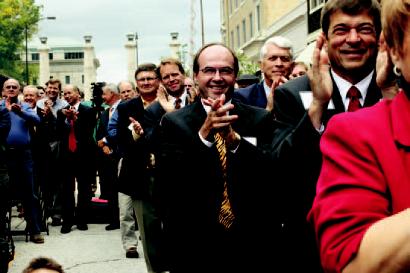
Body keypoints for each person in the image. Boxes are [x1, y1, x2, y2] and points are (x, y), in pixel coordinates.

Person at [155, 42, 299, 272]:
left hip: (251, 242)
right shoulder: (174, 123)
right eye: (209, 70)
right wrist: (204, 136)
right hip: (195, 244)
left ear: (235, 75)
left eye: (226, 71)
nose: (217, 77)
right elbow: (168, 187)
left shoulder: (259, 119)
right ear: (195, 76)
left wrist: (235, 143)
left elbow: (272, 178)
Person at [308, 1, 410, 272]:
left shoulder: (390, 88)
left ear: (379, 42)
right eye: (342, 30)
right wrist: (318, 105)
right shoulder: (295, 93)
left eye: (363, 29)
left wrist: (388, 89)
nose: (353, 39)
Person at [2, 79, 44, 244]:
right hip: (3, 157)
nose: (11, 89)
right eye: (8, 87)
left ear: (18, 90)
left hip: (23, 155)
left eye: (14, 87)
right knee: (2, 193)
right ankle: (2, 232)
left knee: (28, 192)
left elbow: (37, 121)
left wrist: (20, 112)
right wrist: (4, 111)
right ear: (3, 90)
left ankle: (34, 229)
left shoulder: (25, 106)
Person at [56, 84, 97, 234]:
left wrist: (75, 119)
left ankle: (82, 219)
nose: (66, 96)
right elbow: (58, 132)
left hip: (83, 154)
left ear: (78, 94)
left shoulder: (88, 110)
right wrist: (66, 120)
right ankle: (67, 221)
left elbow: (88, 131)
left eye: (69, 93)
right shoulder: (61, 112)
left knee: (84, 188)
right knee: (67, 189)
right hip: (67, 155)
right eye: (64, 94)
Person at [233, 35, 294, 110]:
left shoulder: (303, 92)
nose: (279, 64)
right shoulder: (243, 97)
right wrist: (268, 110)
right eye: (273, 58)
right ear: (261, 65)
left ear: (292, 66)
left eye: (284, 59)